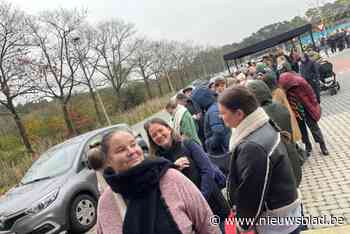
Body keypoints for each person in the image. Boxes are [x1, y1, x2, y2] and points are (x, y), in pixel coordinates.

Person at [87, 129, 220, 234]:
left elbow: (207, 222)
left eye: (133, 144)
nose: (131, 151)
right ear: (108, 160)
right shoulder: (107, 202)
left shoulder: (171, 178)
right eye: (121, 150)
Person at [218, 86, 302, 234]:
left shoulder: (252, 147)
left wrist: (242, 226)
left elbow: (252, 193)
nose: (220, 116)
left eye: (223, 113)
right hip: (287, 211)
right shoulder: (264, 125)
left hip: (275, 224)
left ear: (239, 114)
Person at [144, 118, 230, 231]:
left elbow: (207, 170)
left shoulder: (187, 144)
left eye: (160, 130)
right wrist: (173, 167)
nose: (159, 136)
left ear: (169, 129)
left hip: (213, 204)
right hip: (192, 216)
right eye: (154, 135)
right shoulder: (157, 160)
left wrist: (200, 199)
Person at [279, 72, 329, 156]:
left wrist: (314, 104)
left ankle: (322, 145)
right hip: (296, 110)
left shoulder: (300, 82)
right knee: (302, 130)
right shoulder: (284, 87)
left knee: (314, 128)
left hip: (307, 108)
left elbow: (311, 93)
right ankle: (308, 146)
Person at [261, 71, 302, 143]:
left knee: (290, 140)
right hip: (287, 117)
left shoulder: (277, 92)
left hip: (286, 119)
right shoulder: (278, 90)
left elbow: (274, 104)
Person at [191, 87, 231, 156]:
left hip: (223, 151)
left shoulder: (212, 111)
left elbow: (218, 132)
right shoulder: (214, 107)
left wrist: (209, 143)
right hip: (225, 148)